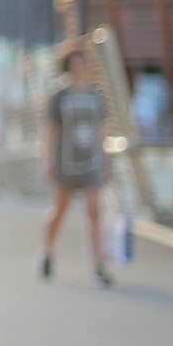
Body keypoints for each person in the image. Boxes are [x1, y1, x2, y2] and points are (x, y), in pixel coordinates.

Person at [38, 42, 114, 287]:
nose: (79, 68)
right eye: (74, 64)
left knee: (94, 211)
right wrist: (47, 160)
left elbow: (102, 130)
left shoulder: (95, 95)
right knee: (60, 208)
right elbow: (49, 130)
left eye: (82, 63)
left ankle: (98, 264)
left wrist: (107, 161)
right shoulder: (59, 95)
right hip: (65, 160)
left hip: (91, 159)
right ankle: (47, 252)